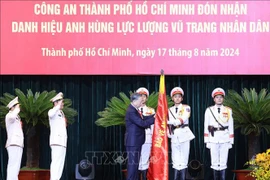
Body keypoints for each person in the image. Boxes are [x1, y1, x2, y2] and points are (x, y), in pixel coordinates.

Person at [204, 87, 234, 180]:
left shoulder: (228, 110)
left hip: (224, 137)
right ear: (214, 99)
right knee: (214, 161)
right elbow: (206, 125)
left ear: (223, 98)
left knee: (223, 162)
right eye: (217, 97)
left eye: (221, 97)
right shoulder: (209, 110)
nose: (219, 99)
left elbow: (230, 125)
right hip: (213, 137)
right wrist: (207, 140)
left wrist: (231, 141)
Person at [125, 92, 155, 180]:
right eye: (140, 100)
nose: (142, 102)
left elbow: (144, 118)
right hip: (133, 142)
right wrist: (154, 119)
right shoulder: (131, 111)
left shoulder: (134, 109)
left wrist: (154, 116)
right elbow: (142, 123)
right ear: (135, 100)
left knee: (135, 166)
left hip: (136, 142)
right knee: (132, 167)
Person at [167, 87, 195, 180]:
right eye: (175, 96)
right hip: (174, 135)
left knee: (183, 159)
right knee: (175, 160)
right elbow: (167, 124)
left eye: (179, 96)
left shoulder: (186, 108)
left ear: (182, 98)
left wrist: (169, 122)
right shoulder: (169, 110)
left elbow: (182, 119)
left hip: (184, 134)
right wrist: (168, 133)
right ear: (172, 98)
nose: (177, 98)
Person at [136, 87, 155, 180]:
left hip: (147, 137)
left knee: (144, 161)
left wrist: (153, 139)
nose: (142, 98)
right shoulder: (133, 110)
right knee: (135, 161)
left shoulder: (151, 111)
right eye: (140, 96)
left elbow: (153, 127)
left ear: (147, 98)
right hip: (135, 138)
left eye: (144, 96)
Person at [48, 92, 67, 180]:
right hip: (56, 141)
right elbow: (50, 114)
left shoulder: (61, 113)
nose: (62, 104)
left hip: (62, 142)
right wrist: (57, 106)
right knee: (56, 162)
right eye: (61, 102)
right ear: (56, 102)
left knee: (60, 164)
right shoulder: (53, 111)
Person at [5, 97, 24, 180]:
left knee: (16, 166)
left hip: (18, 143)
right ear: (12, 107)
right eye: (17, 106)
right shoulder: (9, 115)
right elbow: (12, 117)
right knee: (13, 164)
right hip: (13, 143)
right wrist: (16, 109)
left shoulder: (16, 117)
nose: (19, 108)